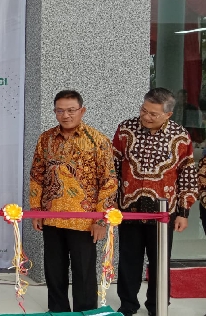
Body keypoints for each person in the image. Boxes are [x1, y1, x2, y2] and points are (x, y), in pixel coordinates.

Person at [29, 90, 117, 313]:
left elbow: (108, 181)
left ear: (82, 111)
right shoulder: (46, 139)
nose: (65, 115)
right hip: (52, 216)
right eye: (60, 110)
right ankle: (58, 312)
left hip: (85, 221)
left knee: (84, 272)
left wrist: (101, 220)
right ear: (54, 112)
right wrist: (36, 210)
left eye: (71, 110)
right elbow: (36, 175)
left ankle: (86, 312)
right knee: (54, 271)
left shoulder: (98, 141)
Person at [114, 87, 199, 316]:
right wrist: (111, 204)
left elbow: (187, 174)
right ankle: (127, 306)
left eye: (153, 114)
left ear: (168, 114)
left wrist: (183, 211)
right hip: (129, 209)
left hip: (164, 211)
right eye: (144, 110)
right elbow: (113, 168)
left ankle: (157, 306)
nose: (146, 116)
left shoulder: (180, 136)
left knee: (160, 263)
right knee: (128, 262)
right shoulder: (125, 129)